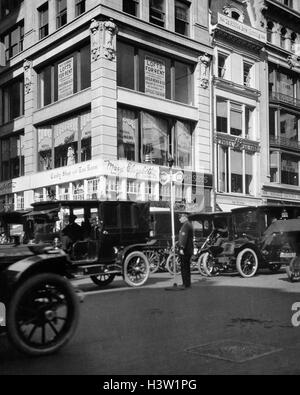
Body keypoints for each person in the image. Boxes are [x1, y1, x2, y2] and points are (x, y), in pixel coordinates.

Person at [178, 212, 194, 289]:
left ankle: (185, 283)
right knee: (186, 267)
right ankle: (187, 283)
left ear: (184, 217)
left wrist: (181, 247)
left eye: (180, 217)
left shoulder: (185, 226)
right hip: (189, 249)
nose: (179, 219)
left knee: (184, 267)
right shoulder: (189, 224)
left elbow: (183, 238)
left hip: (185, 249)